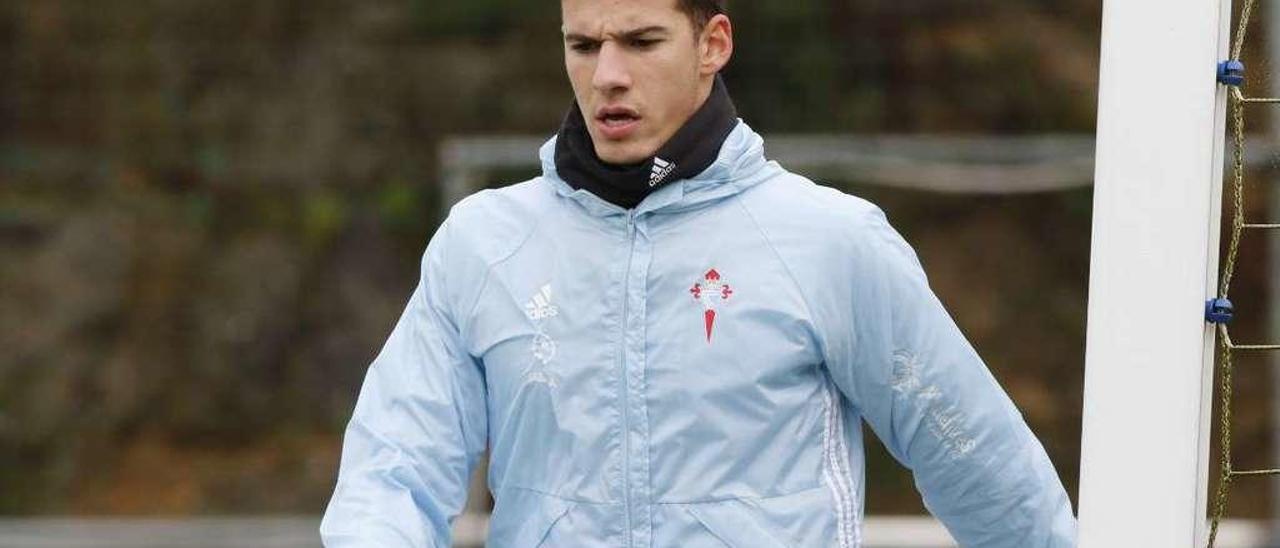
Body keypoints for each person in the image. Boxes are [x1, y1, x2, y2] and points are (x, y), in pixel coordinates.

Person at [319, 0, 1078, 546]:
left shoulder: (830, 242)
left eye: (642, 41)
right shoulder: (483, 244)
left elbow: (979, 461)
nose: (607, 75)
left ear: (712, 43)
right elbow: (392, 470)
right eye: (583, 45)